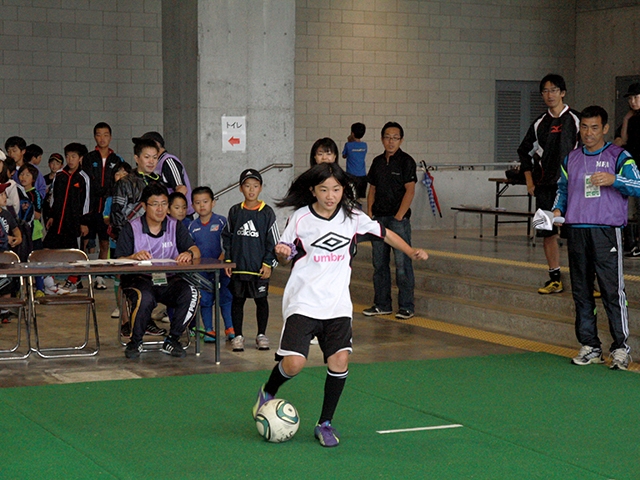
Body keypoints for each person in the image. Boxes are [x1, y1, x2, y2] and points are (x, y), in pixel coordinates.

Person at [252, 163, 428, 447]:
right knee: (295, 363)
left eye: (336, 189)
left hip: (337, 305)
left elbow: (385, 233)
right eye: (324, 190)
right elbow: (285, 254)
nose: (330, 195)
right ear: (313, 191)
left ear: (343, 190)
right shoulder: (300, 218)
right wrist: (282, 252)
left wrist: (410, 250)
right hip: (303, 301)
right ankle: (268, 391)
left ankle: (325, 423)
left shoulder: (353, 217)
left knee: (340, 360)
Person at [553, 105, 640, 371]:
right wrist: (556, 211)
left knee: (612, 290)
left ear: (605, 129)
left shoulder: (619, 156)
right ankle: (590, 346)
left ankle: (621, 349)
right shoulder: (571, 158)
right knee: (581, 291)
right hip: (576, 231)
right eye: (584, 127)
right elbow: (562, 191)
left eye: (594, 128)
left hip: (606, 232)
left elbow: (638, 185)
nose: (588, 133)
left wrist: (615, 180)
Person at [115, 182, 201, 359]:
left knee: (191, 293)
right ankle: (135, 342)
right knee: (144, 297)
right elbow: (118, 260)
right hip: (140, 279)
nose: (160, 209)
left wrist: (189, 253)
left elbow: (195, 250)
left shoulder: (175, 225)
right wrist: (133, 257)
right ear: (144, 206)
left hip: (169, 279)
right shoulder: (131, 227)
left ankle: (173, 339)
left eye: (164, 204)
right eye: (155, 204)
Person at [517, 74, 580, 294]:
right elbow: (524, 151)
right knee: (546, 233)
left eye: (554, 90)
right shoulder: (539, 124)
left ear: (563, 93)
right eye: (545, 91)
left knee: (576, 235)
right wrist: (529, 181)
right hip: (545, 187)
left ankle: (585, 282)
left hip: (572, 188)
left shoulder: (576, 120)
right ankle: (554, 278)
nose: (549, 94)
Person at [110, 138, 167, 337]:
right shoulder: (125, 182)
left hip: (155, 240)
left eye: (155, 157)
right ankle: (126, 320)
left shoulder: (159, 182)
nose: (151, 161)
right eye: (146, 157)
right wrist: (128, 238)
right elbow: (117, 214)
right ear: (136, 158)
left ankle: (145, 317)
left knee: (151, 279)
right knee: (124, 278)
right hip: (128, 239)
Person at [363, 121, 418, 320]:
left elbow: (410, 190)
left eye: (395, 138)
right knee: (379, 264)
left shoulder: (407, 161)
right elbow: (372, 189)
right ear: (382, 139)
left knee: (402, 264)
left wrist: (399, 216)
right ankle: (382, 304)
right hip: (378, 220)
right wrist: (370, 214)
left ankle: (406, 306)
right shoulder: (377, 162)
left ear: (401, 140)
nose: (391, 141)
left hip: (398, 221)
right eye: (387, 137)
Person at [222, 169, 279, 352]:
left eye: (255, 186)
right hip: (239, 268)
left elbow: (273, 241)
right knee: (237, 301)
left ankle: (261, 334)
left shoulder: (267, 212)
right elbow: (227, 236)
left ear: (260, 188)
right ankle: (238, 336)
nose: (251, 190)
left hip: (258, 269)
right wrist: (228, 259)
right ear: (241, 188)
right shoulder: (235, 211)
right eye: (247, 186)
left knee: (261, 301)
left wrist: (268, 263)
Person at [43, 143, 91, 294]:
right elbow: (53, 198)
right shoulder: (59, 175)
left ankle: (73, 282)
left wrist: (84, 222)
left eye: (74, 156)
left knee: (75, 254)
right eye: (68, 156)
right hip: (57, 221)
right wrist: (51, 216)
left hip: (74, 223)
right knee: (47, 251)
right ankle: (49, 283)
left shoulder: (83, 178)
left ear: (80, 158)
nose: (70, 160)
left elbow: (86, 202)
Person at [188, 186, 234, 342]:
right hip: (202, 271)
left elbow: (228, 243)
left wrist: (224, 257)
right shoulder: (192, 226)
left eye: (205, 201)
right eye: (198, 203)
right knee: (205, 300)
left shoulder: (222, 221)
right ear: (192, 206)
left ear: (213, 203)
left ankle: (230, 328)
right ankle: (209, 330)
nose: (202, 205)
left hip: (221, 269)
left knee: (225, 297)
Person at [82, 122, 124, 289]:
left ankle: (99, 276)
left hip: (107, 207)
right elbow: (86, 181)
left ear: (110, 137)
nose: (102, 138)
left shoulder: (117, 160)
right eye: (99, 134)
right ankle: (78, 277)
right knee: (85, 241)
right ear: (95, 137)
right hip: (91, 206)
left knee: (104, 242)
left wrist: (107, 194)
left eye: (106, 135)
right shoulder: (89, 158)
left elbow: (118, 182)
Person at [132, 132, 194, 217]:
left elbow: (181, 189)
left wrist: (166, 210)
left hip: (179, 217)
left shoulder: (168, 161)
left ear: (156, 144)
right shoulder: (157, 162)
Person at [614, 83, 640, 257]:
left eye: (636, 97)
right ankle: (631, 243)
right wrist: (625, 120)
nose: (632, 101)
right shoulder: (631, 118)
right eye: (630, 98)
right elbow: (621, 141)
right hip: (631, 168)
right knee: (631, 207)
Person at [342, 122, 368, 199]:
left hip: (351, 175)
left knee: (351, 197)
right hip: (362, 175)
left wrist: (349, 141)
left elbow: (344, 156)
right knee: (360, 198)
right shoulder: (364, 145)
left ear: (352, 133)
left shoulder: (348, 145)